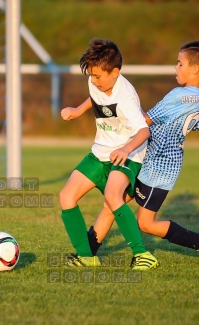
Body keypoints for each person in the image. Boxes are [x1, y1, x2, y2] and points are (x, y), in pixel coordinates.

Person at [87, 38, 199, 267]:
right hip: (150, 160)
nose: (175, 68)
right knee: (112, 201)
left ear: (195, 69)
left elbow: (145, 120)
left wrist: (121, 112)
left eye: (180, 64)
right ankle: (87, 252)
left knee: (145, 223)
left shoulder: (178, 96)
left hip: (160, 168)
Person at [59, 38, 159, 271]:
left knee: (113, 197)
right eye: (91, 76)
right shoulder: (97, 81)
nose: (94, 81)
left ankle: (142, 254)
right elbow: (95, 97)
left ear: (115, 72)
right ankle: (86, 256)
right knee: (66, 196)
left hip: (128, 155)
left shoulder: (126, 98)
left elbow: (144, 131)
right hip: (100, 152)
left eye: (98, 76)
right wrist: (77, 110)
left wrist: (125, 149)